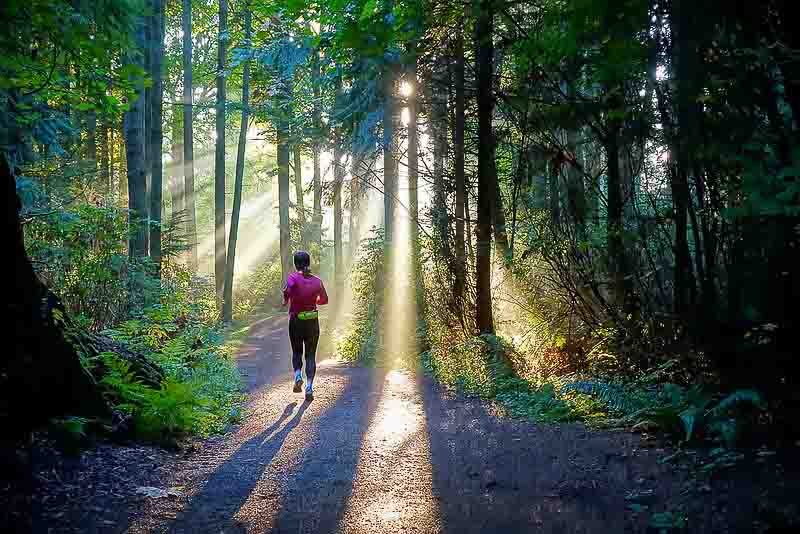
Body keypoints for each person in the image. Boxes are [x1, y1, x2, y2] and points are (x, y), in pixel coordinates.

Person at [282, 250, 328, 401]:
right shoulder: (317, 281)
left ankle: (297, 376)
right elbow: (324, 300)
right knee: (310, 355)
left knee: (297, 352)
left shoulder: (292, 278)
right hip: (312, 321)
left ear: (296, 264)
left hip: (296, 320)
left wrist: (286, 299)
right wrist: (314, 302)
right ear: (308, 263)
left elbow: (287, 291)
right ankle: (309, 387)